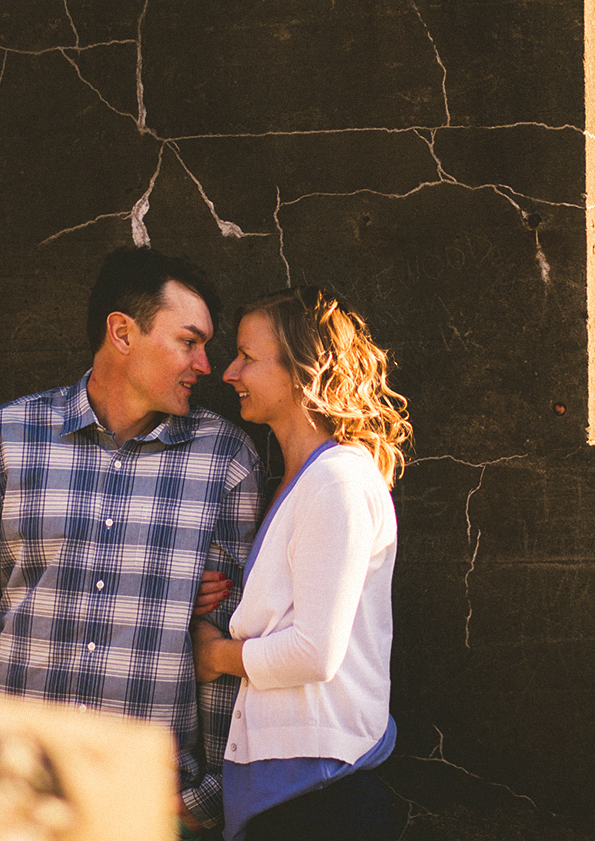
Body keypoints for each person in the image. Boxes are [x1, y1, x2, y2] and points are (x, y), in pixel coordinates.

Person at [0, 246, 261, 832]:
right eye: (188, 341)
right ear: (122, 334)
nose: (206, 365)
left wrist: (205, 796)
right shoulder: (5, 439)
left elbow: (228, 635)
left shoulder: (225, 461)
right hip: (13, 797)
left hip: (147, 806)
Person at [192, 287, 411, 841]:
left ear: (299, 372)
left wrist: (215, 656)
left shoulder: (337, 480)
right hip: (287, 795)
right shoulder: (300, 480)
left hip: (321, 800)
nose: (228, 372)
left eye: (247, 356)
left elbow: (314, 652)